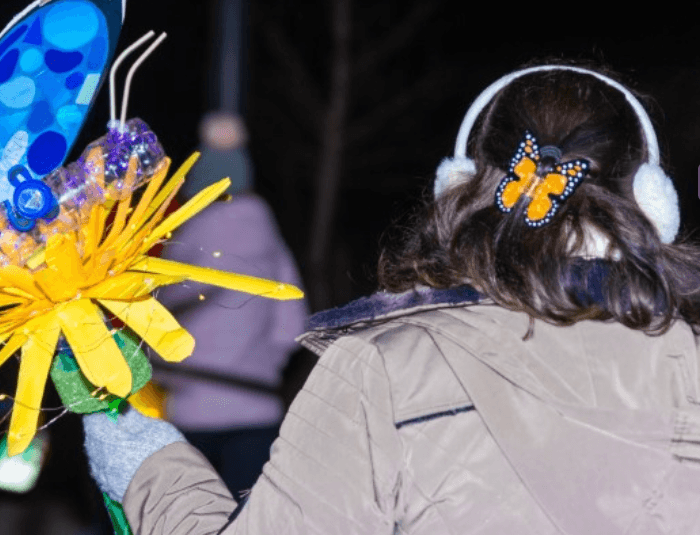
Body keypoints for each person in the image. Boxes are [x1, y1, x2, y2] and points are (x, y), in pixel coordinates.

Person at [81, 61, 700, 534]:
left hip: (191, 399)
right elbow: (284, 313)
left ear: (457, 190)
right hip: (249, 402)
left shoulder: (382, 372)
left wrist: (146, 462)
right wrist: (266, 364)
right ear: (650, 204)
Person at [152, 111, 309, 499]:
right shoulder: (268, 237)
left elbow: (156, 319)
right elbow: (292, 325)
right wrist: (262, 361)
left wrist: (172, 374)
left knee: (186, 517)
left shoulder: (185, 242)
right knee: (248, 516)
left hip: (191, 410)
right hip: (256, 405)